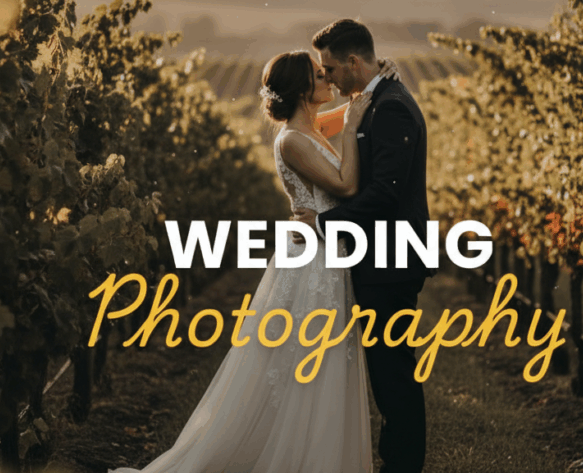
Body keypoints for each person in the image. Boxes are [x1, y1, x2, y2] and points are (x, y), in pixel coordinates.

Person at [108, 49, 401, 473]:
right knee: (305, 360)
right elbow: (347, 182)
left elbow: (348, 115)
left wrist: (371, 88)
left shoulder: (312, 129)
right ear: (302, 89)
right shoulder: (292, 139)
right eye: (320, 75)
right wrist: (353, 121)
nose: (328, 81)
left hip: (323, 254)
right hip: (311, 262)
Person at [293, 19, 435, 473]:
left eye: (331, 68)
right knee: (389, 370)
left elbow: (386, 194)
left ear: (354, 62)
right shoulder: (374, 97)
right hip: (381, 257)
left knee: (393, 375)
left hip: (391, 261)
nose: (328, 77)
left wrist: (323, 224)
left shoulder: (390, 107)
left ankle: (403, 465)